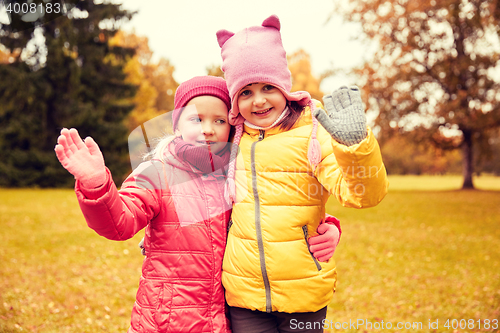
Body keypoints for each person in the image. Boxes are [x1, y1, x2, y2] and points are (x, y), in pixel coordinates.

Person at [54, 75, 341, 332]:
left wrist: (329, 227)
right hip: (167, 320)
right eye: (196, 119)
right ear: (177, 125)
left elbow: (275, 209)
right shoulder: (158, 171)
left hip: (223, 318)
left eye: (219, 120)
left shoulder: (237, 172)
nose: (208, 129)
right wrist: (96, 184)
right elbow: (120, 223)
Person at [216, 15, 389, 333]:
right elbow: (194, 192)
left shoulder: (312, 129)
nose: (259, 100)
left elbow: (363, 195)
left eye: (268, 87)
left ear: (284, 86)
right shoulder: (229, 138)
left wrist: (354, 147)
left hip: (305, 291)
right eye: (245, 92)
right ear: (234, 98)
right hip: (243, 294)